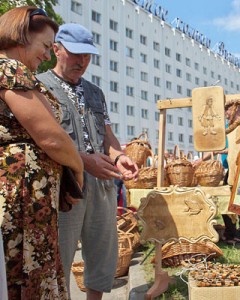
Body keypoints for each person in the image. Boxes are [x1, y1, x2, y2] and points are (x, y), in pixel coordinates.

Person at [37, 23, 138, 299]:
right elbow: (43, 139)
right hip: (64, 186)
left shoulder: (96, 92)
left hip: (101, 185)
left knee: (102, 255)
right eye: (75, 54)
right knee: (59, 259)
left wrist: (120, 157)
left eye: (87, 55)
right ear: (56, 50)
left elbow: (107, 136)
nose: (82, 61)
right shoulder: (40, 86)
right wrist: (82, 161)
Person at [0, 7, 84, 299]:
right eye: (46, 46)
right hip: (23, 198)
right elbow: (48, 136)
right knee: (26, 271)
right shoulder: (10, 68)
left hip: (29, 197)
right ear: (22, 35)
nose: (48, 56)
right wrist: (78, 167)